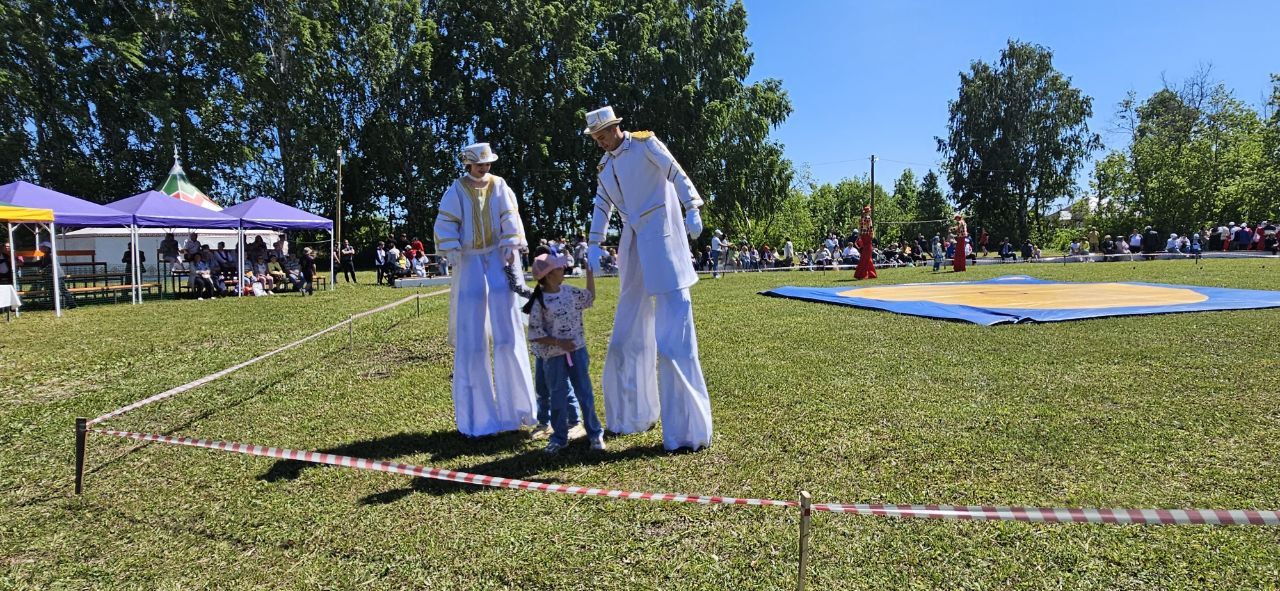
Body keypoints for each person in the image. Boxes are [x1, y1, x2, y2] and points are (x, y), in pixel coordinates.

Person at [583, 105, 712, 450]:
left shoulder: (645, 144)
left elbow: (675, 171)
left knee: (674, 338)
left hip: (663, 238)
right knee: (625, 335)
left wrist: (692, 206)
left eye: (602, 135)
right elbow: (601, 205)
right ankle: (631, 415)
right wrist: (594, 243)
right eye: (595, 139)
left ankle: (688, 430)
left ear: (615, 127)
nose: (600, 143)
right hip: (633, 243)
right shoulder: (605, 168)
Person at [433, 141, 536, 437]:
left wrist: (510, 242)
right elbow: (446, 222)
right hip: (470, 260)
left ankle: (518, 411)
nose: (484, 168)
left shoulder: (500, 185)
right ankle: (478, 419)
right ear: (468, 164)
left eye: (488, 163)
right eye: (480, 164)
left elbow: (509, 216)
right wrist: (451, 248)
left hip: (498, 257)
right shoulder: (456, 190)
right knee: (472, 335)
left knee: (508, 332)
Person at [854, 205, 877, 280]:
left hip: (863, 237)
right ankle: (862, 274)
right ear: (868, 212)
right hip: (867, 237)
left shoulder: (861, 219)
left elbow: (860, 230)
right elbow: (870, 228)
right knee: (866, 256)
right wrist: (872, 236)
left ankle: (871, 273)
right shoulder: (868, 218)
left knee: (866, 256)